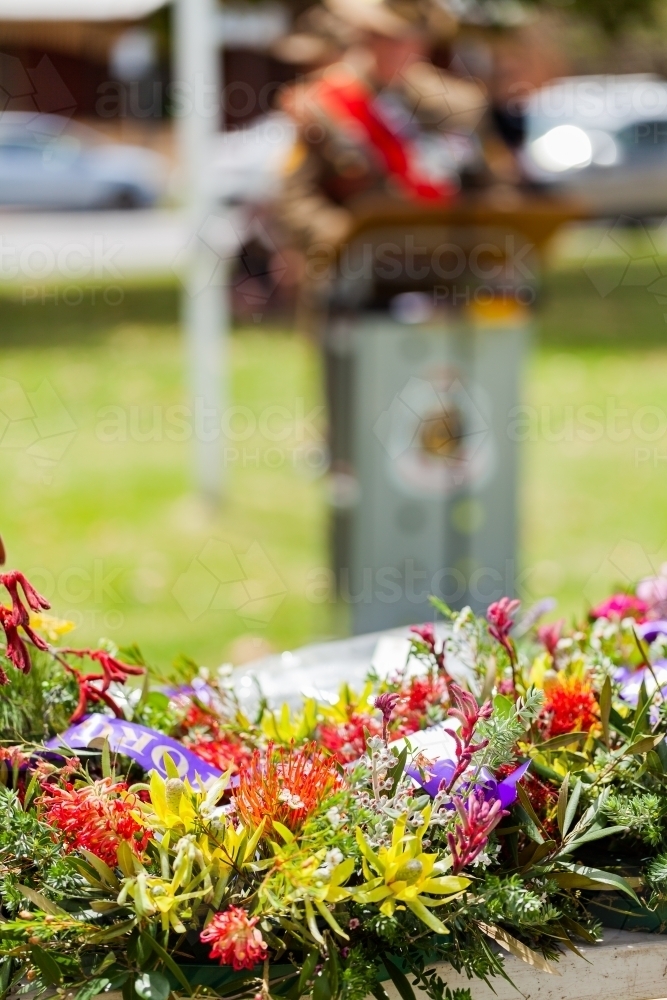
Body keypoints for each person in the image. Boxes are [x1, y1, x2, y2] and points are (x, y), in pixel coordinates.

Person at [276, 0, 488, 252]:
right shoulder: (321, 104)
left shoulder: (459, 106)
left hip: (445, 257)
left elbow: (487, 183)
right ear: (366, 37)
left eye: (408, 39)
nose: (395, 49)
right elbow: (294, 198)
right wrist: (345, 239)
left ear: (424, 44)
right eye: (384, 37)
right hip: (362, 269)